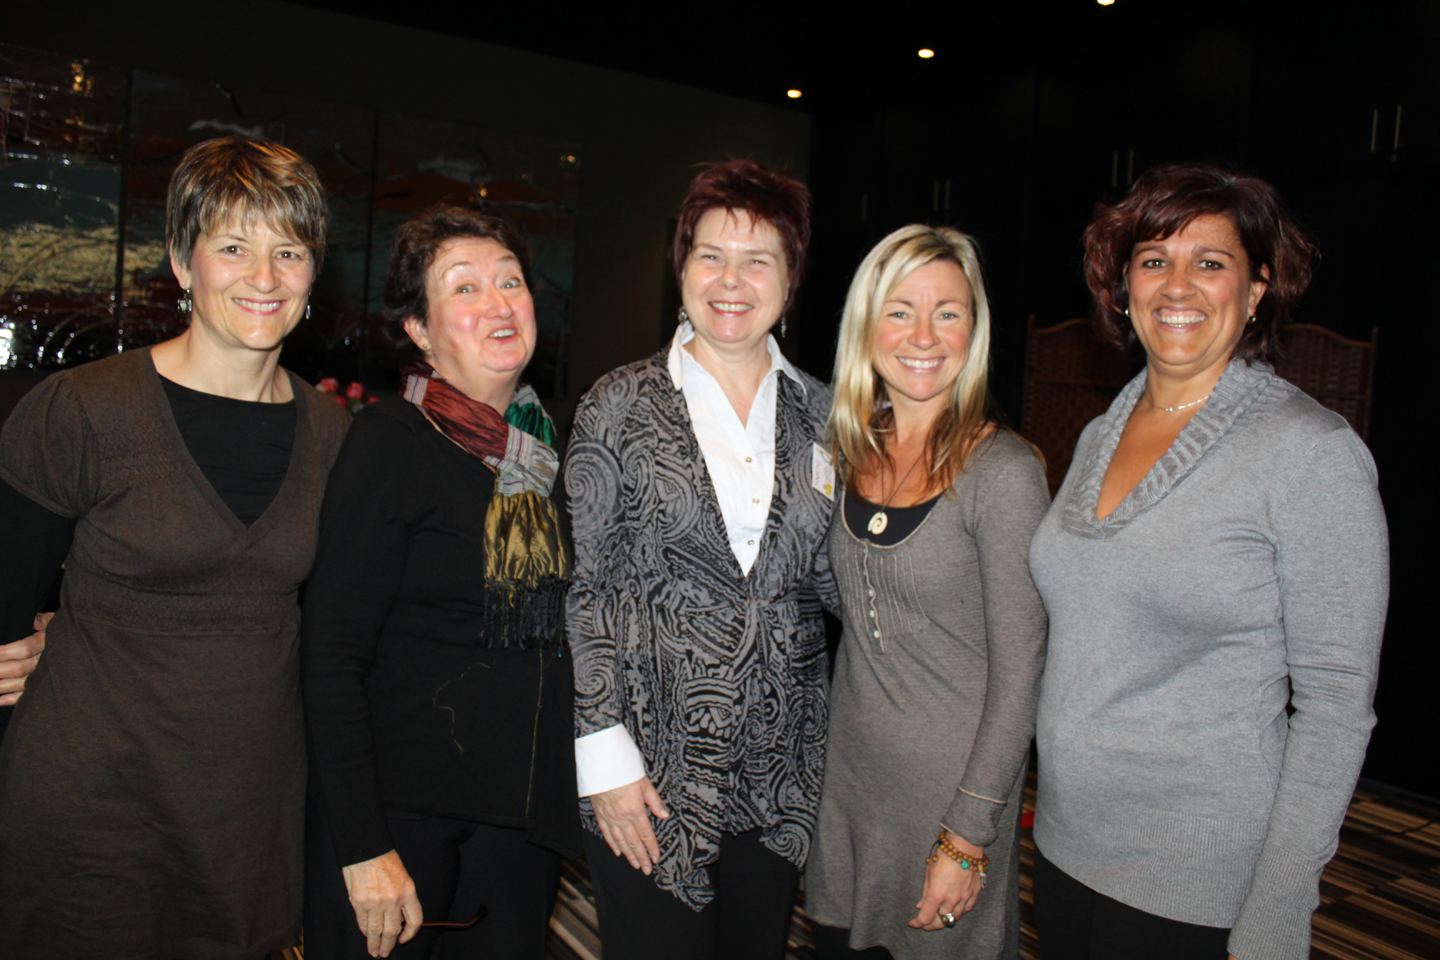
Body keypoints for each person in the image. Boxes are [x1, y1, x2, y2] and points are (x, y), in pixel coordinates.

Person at [1028, 162, 1389, 960]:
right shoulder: (1098, 433)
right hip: (1063, 842)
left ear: (1256, 290)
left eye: (1211, 262)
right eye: (1153, 260)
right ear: (1122, 287)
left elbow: (1334, 706)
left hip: (1194, 880)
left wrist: (1279, 905)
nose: (1177, 284)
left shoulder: (1310, 452)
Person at [0, 135, 350, 957]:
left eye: (288, 251)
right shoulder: (82, 411)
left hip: (247, 824)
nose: (263, 278)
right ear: (182, 263)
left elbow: (338, 639)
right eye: (233, 247)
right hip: (89, 821)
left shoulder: (335, 437)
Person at [565, 160, 838, 960]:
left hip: (782, 766)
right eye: (710, 254)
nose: (732, 279)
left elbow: (828, 582)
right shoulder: (618, 403)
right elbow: (589, 592)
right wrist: (603, 757)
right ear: (680, 267)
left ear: (790, 279)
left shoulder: (825, 414)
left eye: (760, 260)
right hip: (649, 760)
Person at [302, 205, 579, 960]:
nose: (498, 303)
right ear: (420, 331)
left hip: (515, 829)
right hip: (400, 826)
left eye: (511, 282)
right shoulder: (389, 442)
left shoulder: (545, 458)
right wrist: (362, 847)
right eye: (464, 288)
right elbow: (330, 657)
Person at [804, 225, 1050, 960]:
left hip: (946, 799)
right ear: (867, 325)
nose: (924, 334)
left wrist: (968, 833)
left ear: (973, 330)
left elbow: (1021, 675)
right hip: (847, 790)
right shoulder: (846, 449)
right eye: (901, 310)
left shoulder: (1003, 474)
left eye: (948, 311)